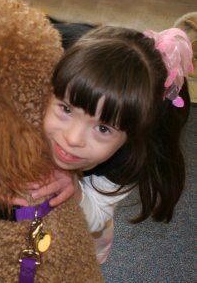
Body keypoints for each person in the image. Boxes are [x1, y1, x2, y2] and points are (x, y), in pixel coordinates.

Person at [15, 25, 194, 263]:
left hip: (82, 222)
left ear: (132, 137)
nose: (72, 138)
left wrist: (76, 193)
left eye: (103, 128)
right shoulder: (49, 67)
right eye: (66, 109)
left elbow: (98, 215)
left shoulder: (129, 158)